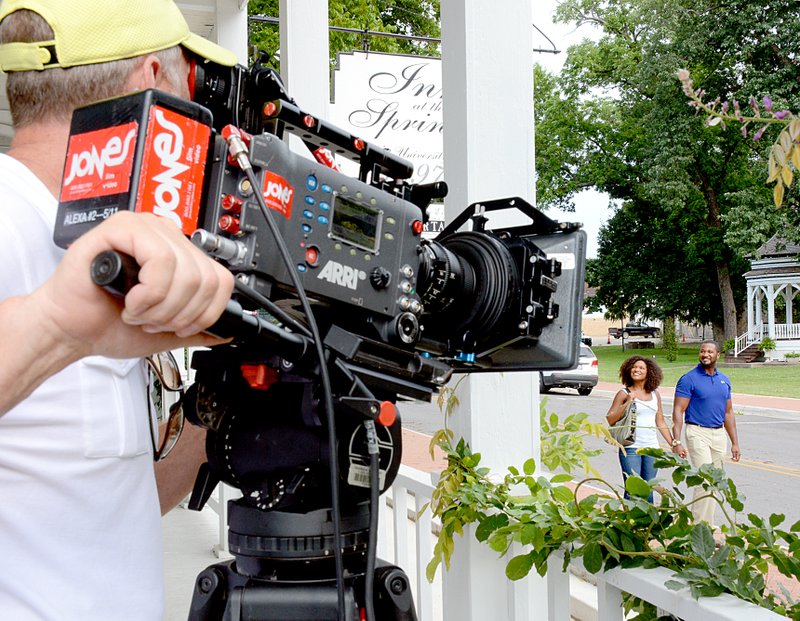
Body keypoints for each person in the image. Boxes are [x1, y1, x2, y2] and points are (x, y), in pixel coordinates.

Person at [0, 0, 239, 619]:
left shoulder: (95, 244)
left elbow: (112, 500)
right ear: (149, 87)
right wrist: (56, 324)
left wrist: (226, 397)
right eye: (192, 84)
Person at [671, 340, 740, 526]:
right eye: (702, 351)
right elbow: (678, 410)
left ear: (718, 355)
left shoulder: (724, 380)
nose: (705, 354)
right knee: (705, 480)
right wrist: (676, 441)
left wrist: (734, 442)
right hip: (697, 432)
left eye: (710, 351)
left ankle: (704, 526)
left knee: (715, 482)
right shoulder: (689, 379)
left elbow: (728, 412)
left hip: (718, 435)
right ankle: (699, 528)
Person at [606, 355, 676, 502]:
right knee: (633, 488)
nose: (636, 370)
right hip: (631, 447)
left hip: (652, 448)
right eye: (634, 367)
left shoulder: (655, 394)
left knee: (648, 487)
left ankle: (646, 522)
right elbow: (610, 419)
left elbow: (660, 421)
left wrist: (674, 443)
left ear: (649, 372)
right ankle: (629, 522)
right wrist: (627, 403)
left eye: (641, 368)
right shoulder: (623, 393)